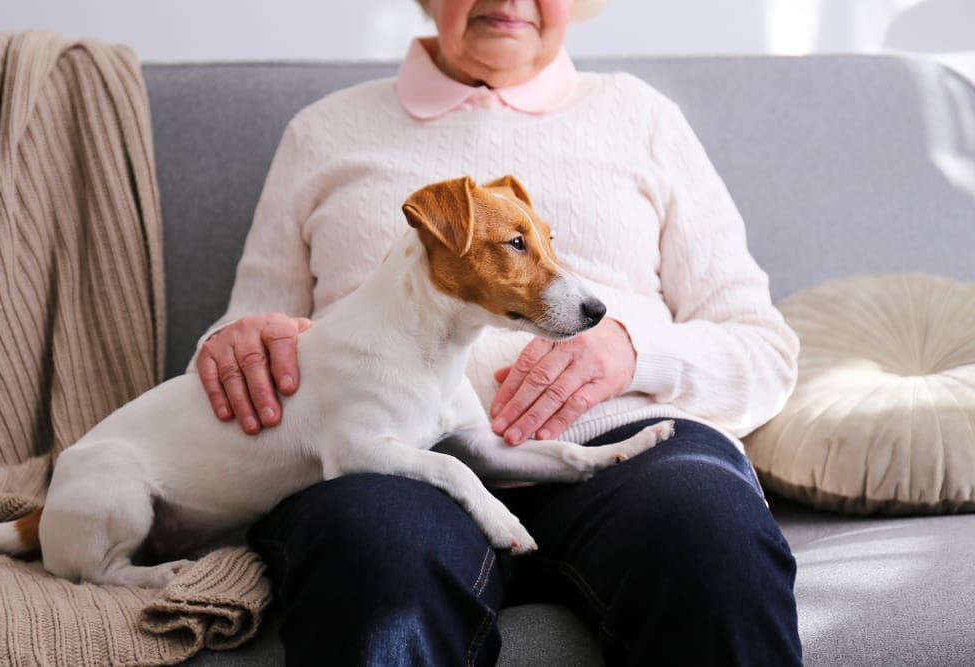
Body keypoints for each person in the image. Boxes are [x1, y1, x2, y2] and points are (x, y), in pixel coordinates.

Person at [190, 1, 804, 664]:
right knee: (373, 553)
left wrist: (636, 353)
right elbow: (243, 332)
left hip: (633, 454)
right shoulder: (324, 132)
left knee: (710, 534)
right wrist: (235, 347)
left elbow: (763, 351)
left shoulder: (642, 118)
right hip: (398, 460)